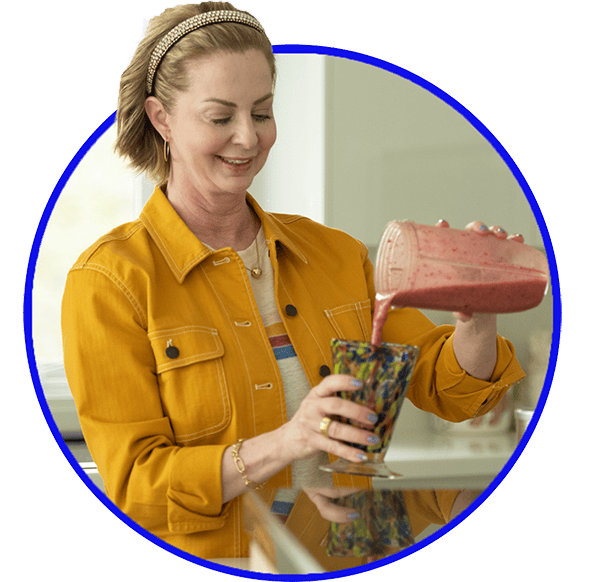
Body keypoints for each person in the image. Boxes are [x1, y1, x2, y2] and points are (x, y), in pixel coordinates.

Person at [61, 1, 525, 566]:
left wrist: (475, 314)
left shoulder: (332, 253)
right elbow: (135, 486)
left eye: (262, 112)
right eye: (219, 116)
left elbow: (447, 391)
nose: (247, 138)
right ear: (161, 118)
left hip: (339, 558)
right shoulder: (110, 281)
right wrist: (289, 440)